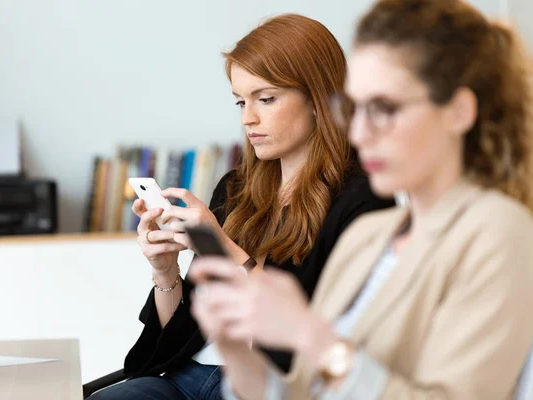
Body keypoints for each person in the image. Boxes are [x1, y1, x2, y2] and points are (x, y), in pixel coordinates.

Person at [189, 1, 533, 399]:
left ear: (457, 111)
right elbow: (300, 392)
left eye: (384, 108)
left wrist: (312, 338)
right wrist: (236, 350)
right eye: (355, 108)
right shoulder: (370, 237)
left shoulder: (501, 233)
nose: (360, 132)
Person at [87, 13, 394, 400]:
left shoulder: (363, 203)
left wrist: (224, 249)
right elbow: (177, 339)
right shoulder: (234, 189)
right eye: (240, 101)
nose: (248, 119)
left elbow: (320, 342)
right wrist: (164, 271)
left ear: (319, 98)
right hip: (187, 377)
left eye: (266, 99)